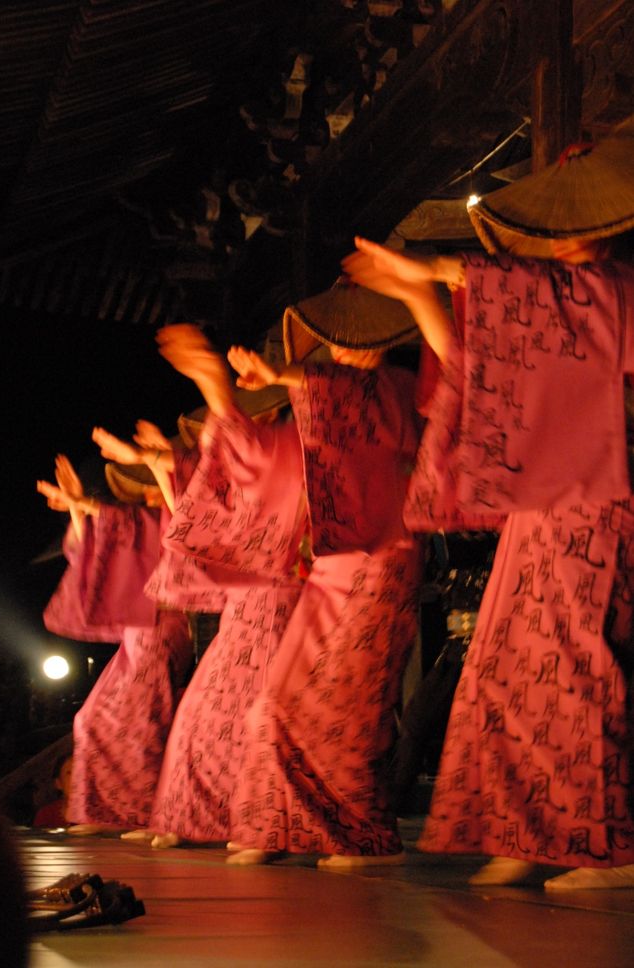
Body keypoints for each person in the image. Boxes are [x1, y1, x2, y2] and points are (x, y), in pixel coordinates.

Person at [341, 116, 634, 888]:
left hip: (606, 500)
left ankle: (602, 840)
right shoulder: (554, 300)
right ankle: (528, 827)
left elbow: (564, 313)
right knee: (509, 665)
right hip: (549, 507)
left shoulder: (616, 291)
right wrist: (419, 288)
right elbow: (472, 367)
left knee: (577, 664)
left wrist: (437, 272)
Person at [224, 281, 425, 867]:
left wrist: (282, 376)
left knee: (348, 702)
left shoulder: (398, 388)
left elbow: (347, 394)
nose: (342, 350)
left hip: (384, 559)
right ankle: (280, 824)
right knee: (277, 699)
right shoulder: (327, 395)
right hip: (333, 565)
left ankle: (363, 834)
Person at [121, 325, 309, 849]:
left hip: (280, 596)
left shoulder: (288, 449)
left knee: (251, 714)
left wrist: (212, 381)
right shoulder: (255, 452)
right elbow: (198, 498)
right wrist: (162, 462)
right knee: (204, 711)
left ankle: (258, 822)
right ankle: (194, 817)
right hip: (246, 604)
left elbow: (241, 448)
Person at [37, 448, 193, 833]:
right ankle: (106, 811)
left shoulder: (158, 518)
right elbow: (87, 548)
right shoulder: (136, 523)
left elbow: (114, 527)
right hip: (138, 634)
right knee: (91, 718)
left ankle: (142, 812)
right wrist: (78, 509)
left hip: (160, 627)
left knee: (140, 720)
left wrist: (82, 504)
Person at [32, 754, 72, 828]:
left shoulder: (97, 814)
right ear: (58, 783)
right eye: (69, 773)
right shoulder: (46, 814)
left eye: (80, 772)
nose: (76, 778)